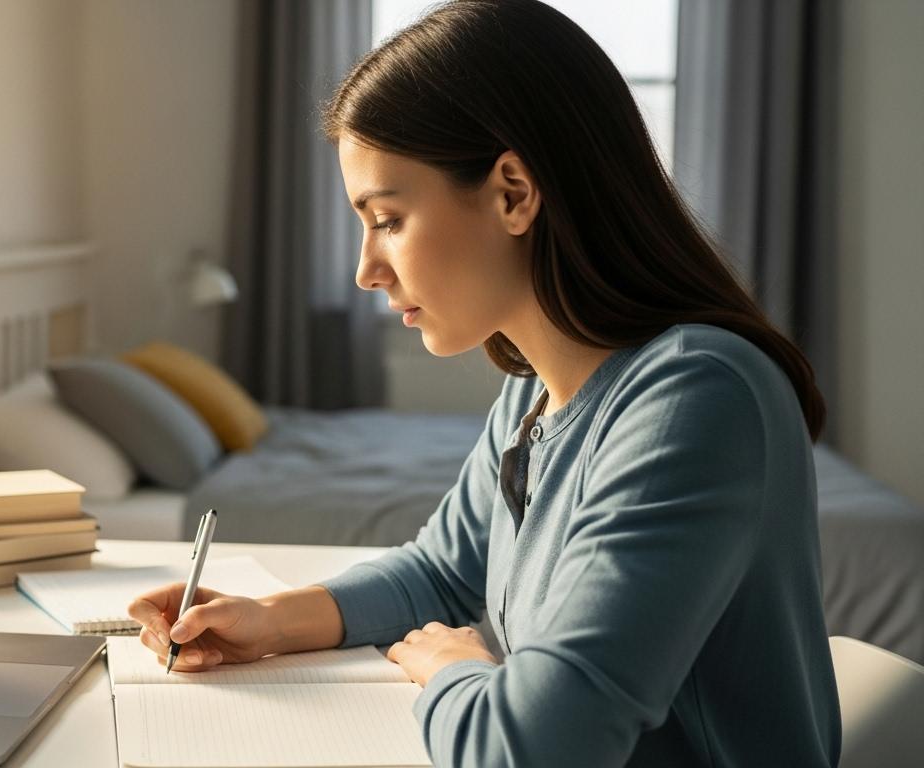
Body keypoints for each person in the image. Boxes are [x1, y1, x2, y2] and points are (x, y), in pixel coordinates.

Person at [127, 1, 842, 765]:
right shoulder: (534, 388)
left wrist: (452, 667)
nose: (366, 269)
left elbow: (531, 749)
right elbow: (442, 571)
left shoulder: (696, 397)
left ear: (512, 191)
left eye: (389, 219)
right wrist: (271, 619)